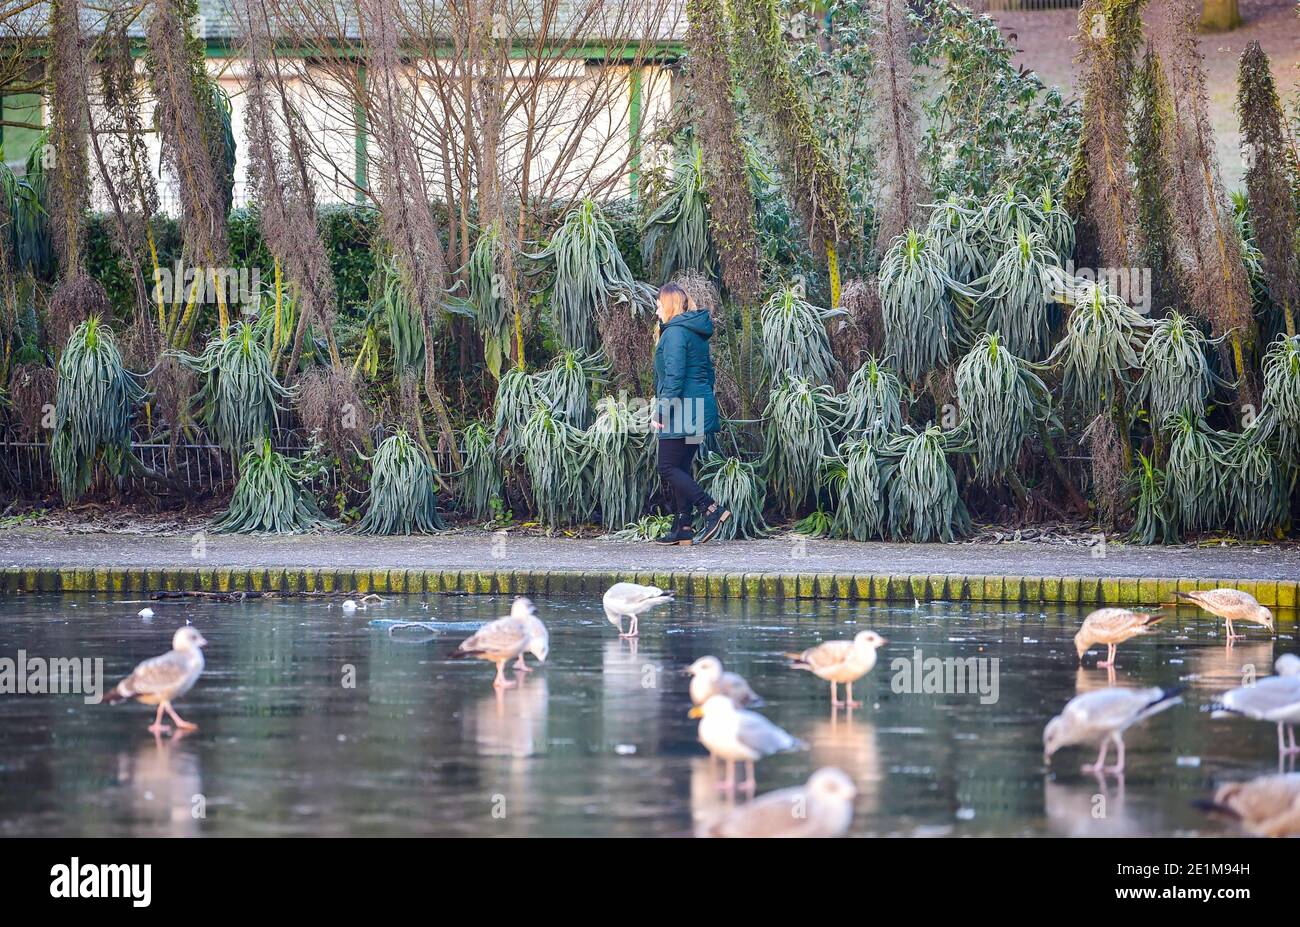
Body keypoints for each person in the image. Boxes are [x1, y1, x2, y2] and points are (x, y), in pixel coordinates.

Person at [651, 283, 730, 545]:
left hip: (681, 409)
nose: (657, 309)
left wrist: (661, 411)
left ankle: (710, 509)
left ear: (670, 305)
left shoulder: (674, 334)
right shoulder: (694, 332)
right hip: (695, 408)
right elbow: (709, 374)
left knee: (667, 466)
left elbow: (674, 377)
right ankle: (683, 526)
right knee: (681, 466)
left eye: (660, 304)